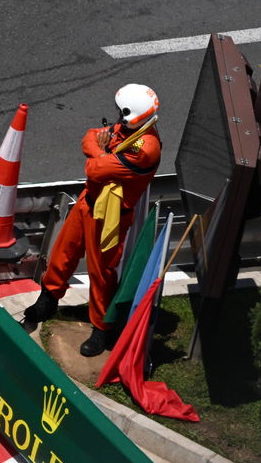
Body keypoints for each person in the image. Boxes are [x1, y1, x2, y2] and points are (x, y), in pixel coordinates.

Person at [23, 84, 161, 356]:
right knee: (64, 252)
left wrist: (101, 154)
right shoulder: (132, 130)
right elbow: (89, 136)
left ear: (130, 114)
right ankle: (48, 299)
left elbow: (94, 168)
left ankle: (101, 329)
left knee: (101, 273)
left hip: (111, 215)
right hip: (89, 201)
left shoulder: (145, 148)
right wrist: (104, 153)